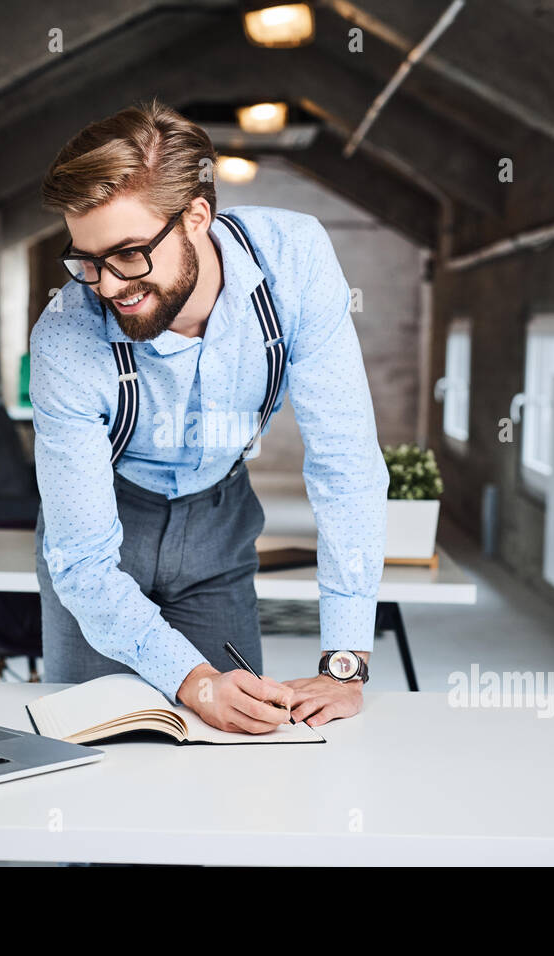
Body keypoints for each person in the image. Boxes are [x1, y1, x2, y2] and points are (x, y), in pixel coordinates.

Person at [31, 98, 386, 733]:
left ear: (197, 215)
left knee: (240, 751)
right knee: (89, 761)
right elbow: (83, 563)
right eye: (87, 259)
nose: (108, 286)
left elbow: (346, 466)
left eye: (129, 253)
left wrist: (344, 664)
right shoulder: (65, 337)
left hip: (220, 526)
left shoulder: (294, 262)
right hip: (108, 535)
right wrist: (193, 683)